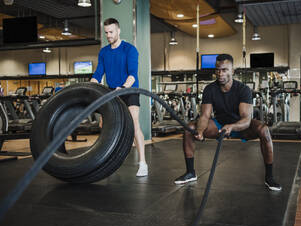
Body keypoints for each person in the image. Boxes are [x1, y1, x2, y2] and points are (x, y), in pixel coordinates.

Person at [174, 54, 281, 191]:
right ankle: (190, 172)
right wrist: (200, 131)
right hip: (219, 125)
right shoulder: (210, 89)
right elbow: (205, 115)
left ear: (232, 71)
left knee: (264, 130)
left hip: (241, 127)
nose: (220, 73)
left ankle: (269, 177)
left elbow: (246, 120)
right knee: (190, 128)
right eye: (218, 70)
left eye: (224, 70)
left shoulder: (243, 89)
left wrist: (232, 126)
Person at [90, 18, 148, 177]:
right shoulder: (103, 52)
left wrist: (123, 88)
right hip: (111, 90)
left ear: (118, 31)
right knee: (104, 125)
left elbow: (133, 75)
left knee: (134, 123)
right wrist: (91, 84)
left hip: (128, 89)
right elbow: (98, 73)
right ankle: (108, 159)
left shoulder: (130, 49)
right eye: (106, 32)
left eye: (111, 32)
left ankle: (142, 163)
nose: (108, 35)